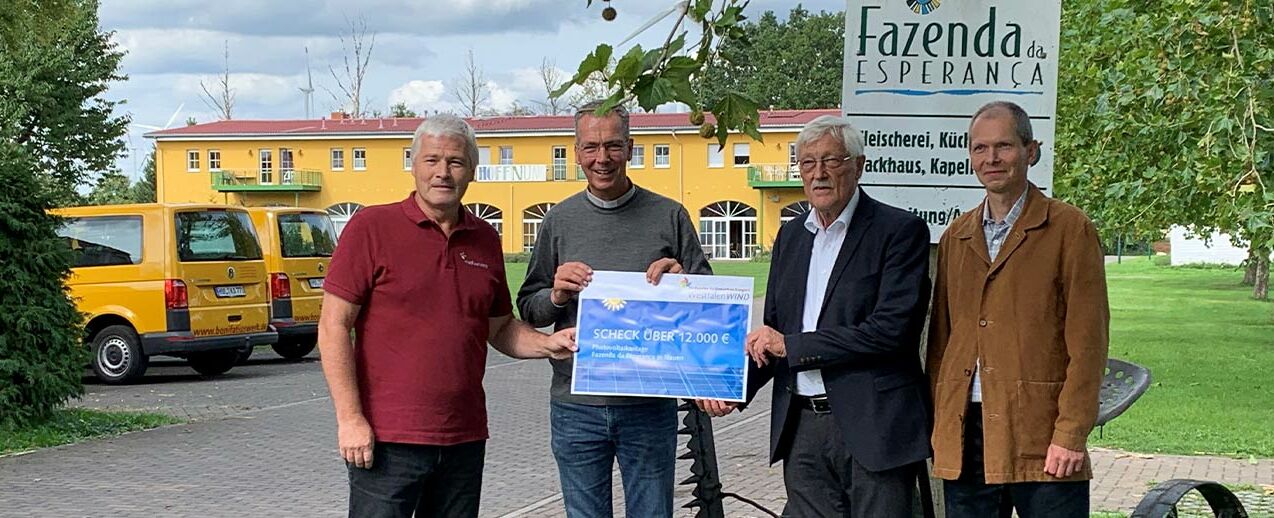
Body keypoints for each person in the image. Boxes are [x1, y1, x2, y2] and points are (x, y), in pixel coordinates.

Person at [317, 114, 577, 518]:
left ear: (472, 171)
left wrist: (547, 344)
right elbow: (333, 327)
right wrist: (350, 419)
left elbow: (500, 327)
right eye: (431, 160)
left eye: (455, 162)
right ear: (414, 164)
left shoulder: (485, 238)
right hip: (388, 439)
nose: (442, 172)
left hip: (463, 437)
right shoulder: (371, 227)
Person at [701, 114, 933, 517]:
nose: (819, 173)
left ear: (858, 166)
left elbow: (889, 332)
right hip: (802, 429)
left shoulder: (900, 231)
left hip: (874, 429)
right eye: (808, 163)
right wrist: (732, 387)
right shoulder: (791, 236)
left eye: (832, 160)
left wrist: (790, 346)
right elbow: (774, 333)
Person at [516, 100, 712, 517]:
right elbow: (530, 310)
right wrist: (557, 295)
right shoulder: (559, 221)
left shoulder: (669, 215)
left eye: (613, 146)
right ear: (576, 152)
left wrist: (681, 282)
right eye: (591, 147)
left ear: (631, 147)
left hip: (649, 405)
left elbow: (710, 307)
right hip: (576, 406)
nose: (601, 158)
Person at [927, 100, 1109, 517]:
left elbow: (1088, 346)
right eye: (979, 148)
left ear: (1031, 151)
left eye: (1004, 146)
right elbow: (942, 343)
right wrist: (940, 427)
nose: (991, 158)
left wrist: (1071, 433)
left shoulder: (1068, 229)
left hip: (1041, 434)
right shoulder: (957, 236)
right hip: (966, 434)